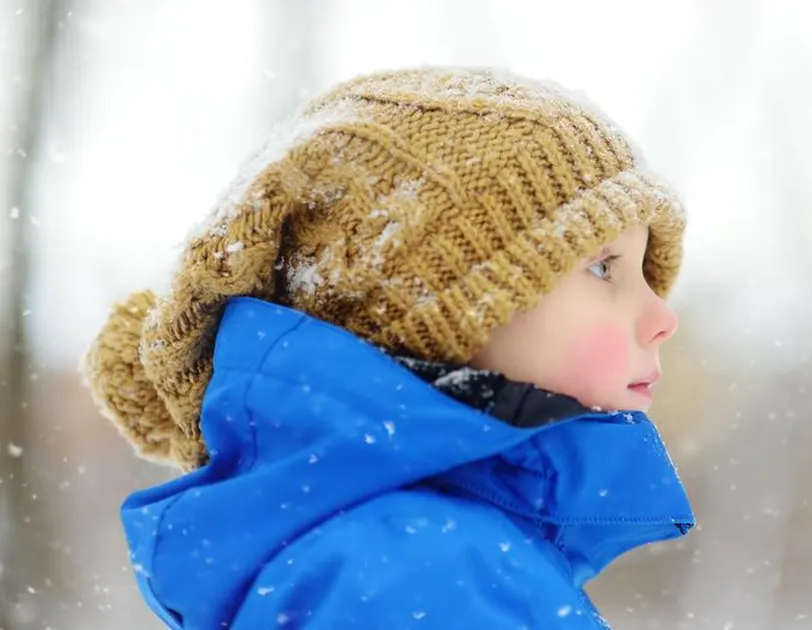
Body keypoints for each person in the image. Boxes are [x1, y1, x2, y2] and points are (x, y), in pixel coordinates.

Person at [82, 66, 695, 629]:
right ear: (444, 303)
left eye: (645, 271)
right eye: (603, 267)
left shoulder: (410, 550)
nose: (662, 317)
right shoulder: (424, 573)